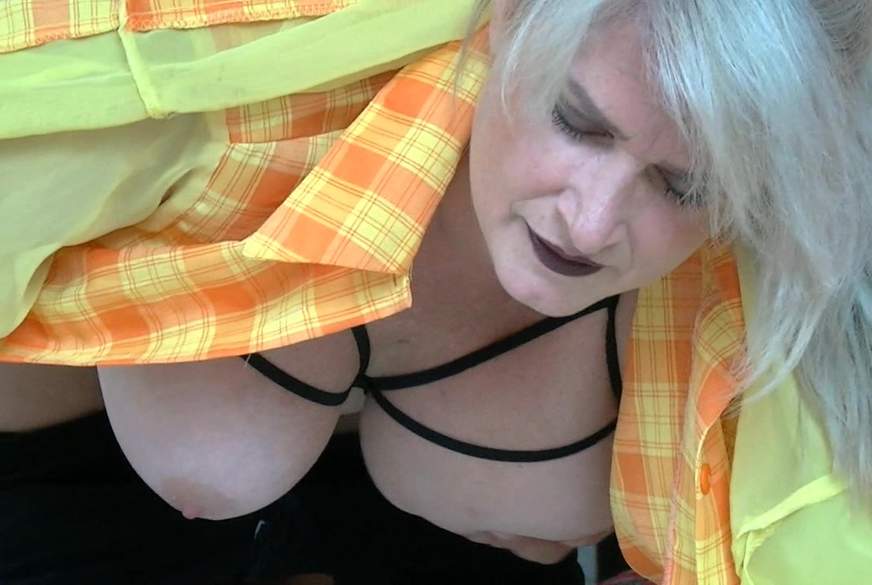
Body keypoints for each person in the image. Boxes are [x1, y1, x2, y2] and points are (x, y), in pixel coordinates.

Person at [2, 0, 871, 583]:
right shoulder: (251, 85)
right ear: (510, 20)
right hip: (63, 504)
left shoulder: (746, 319)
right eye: (576, 122)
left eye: (683, 186)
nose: (592, 221)